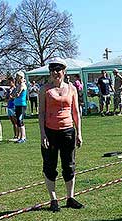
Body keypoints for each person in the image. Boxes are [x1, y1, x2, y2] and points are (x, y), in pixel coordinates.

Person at [38, 57, 83, 212]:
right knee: (50, 166)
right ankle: (53, 199)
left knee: (69, 165)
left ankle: (70, 197)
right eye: (52, 70)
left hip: (68, 131)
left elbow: (76, 112)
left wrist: (79, 133)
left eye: (58, 70)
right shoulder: (45, 89)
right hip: (50, 132)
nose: (55, 73)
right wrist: (43, 134)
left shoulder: (71, 88)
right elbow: (41, 113)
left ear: (64, 71)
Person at [14, 71, 28, 143]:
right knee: (18, 121)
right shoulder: (18, 85)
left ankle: (23, 137)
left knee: (20, 120)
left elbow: (17, 94)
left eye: (17, 76)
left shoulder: (22, 85)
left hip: (22, 105)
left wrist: (15, 93)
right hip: (17, 104)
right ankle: (19, 137)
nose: (16, 78)